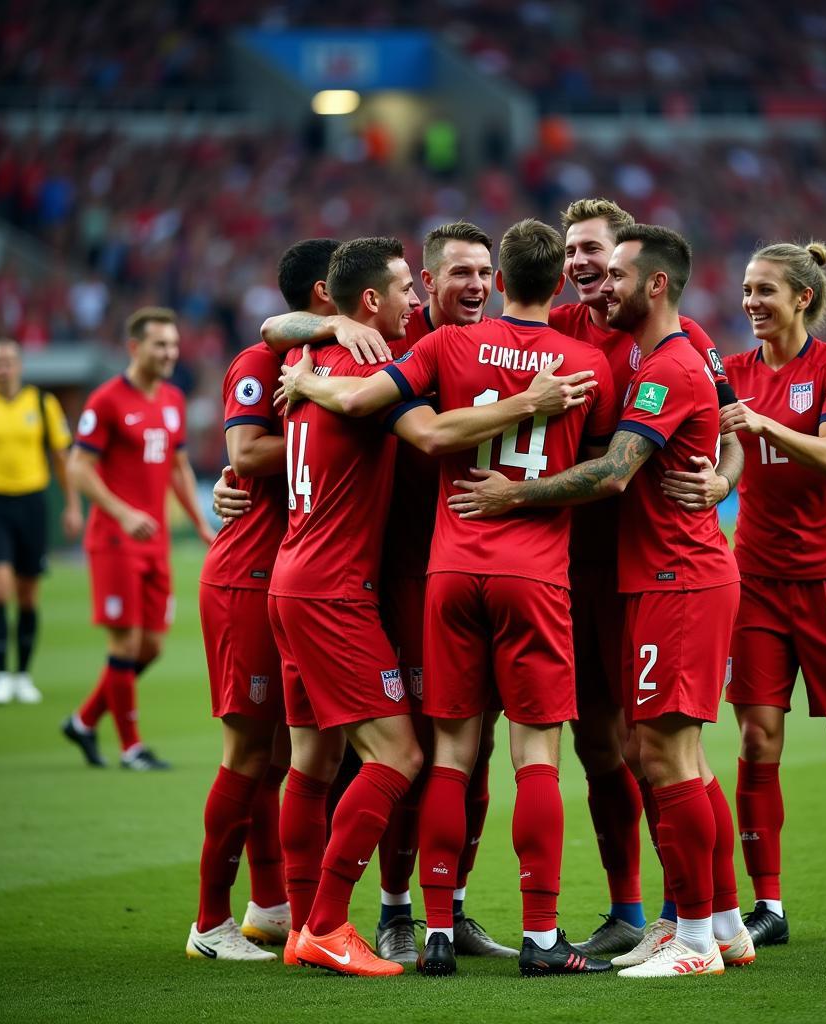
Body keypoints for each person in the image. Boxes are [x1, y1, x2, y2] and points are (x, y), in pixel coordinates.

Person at [277, 219, 617, 978]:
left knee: (447, 757)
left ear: (498, 282)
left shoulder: (438, 350)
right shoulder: (585, 360)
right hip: (528, 575)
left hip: (443, 571)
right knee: (532, 756)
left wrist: (305, 376)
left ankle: (430, 930)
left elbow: (376, 406)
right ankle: (538, 937)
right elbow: (600, 460)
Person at [447, 224, 755, 979]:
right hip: (656, 577)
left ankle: (689, 942)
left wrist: (515, 494)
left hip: (676, 579)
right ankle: (718, 923)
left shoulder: (671, 365)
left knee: (665, 755)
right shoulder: (652, 355)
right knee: (674, 755)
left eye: (614, 270)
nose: (599, 283)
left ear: (654, 283)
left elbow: (617, 473)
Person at [260, 222, 515, 962]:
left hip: (300, 576)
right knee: (400, 756)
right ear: (379, 299)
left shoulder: (314, 358)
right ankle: (332, 927)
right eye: (411, 286)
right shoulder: (373, 368)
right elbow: (433, 436)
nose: (418, 297)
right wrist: (531, 401)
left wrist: (320, 345)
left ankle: (307, 923)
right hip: (338, 590)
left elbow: (283, 333)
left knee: (317, 759)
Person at [549, 198, 743, 957]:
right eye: (571, 252)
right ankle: (633, 911)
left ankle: (687, 914)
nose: (581, 264)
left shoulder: (679, 342)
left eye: (594, 251)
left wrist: (724, 484)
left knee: (659, 748)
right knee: (604, 747)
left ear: (634, 268)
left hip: (658, 563)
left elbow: (728, 431)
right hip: (576, 572)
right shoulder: (554, 328)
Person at [716, 242, 826, 944]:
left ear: (802, 299)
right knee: (758, 739)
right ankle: (770, 907)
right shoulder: (730, 372)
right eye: (747, 290)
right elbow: (715, 450)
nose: (751, 302)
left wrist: (762, 424)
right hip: (754, 578)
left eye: (765, 291)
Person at [188, 239, 354, 963]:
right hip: (248, 576)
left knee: (282, 755)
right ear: (325, 292)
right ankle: (208, 925)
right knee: (249, 752)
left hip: (292, 573)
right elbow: (247, 453)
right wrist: (329, 422)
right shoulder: (262, 365)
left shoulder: (326, 357)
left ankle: (269, 908)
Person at [62, 308, 215, 770]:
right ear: (135, 348)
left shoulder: (172, 399)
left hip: (156, 541)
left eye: (172, 345)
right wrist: (124, 513)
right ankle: (132, 748)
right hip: (114, 539)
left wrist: (201, 522)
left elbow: (179, 469)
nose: (169, 353)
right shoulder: (106, 400)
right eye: (159, 345)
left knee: (151, 647)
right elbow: (78, 467)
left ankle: (84, 721)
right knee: (125, 645)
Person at [0, 339, 82, 705]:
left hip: (31, 503)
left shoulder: (42, 405)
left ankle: (23, 674)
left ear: (19, 366)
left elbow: (62, 458)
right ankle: (1, 674)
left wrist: (72, 505)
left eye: (8, 361)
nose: (3, 367)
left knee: (28, 593)